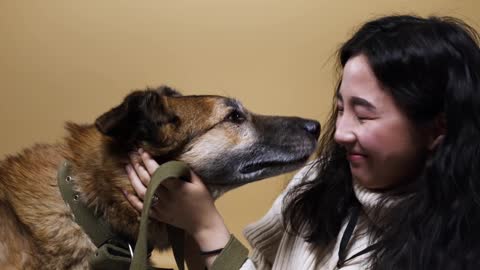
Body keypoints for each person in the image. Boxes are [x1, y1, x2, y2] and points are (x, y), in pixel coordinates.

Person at [124, 15, 480, 269]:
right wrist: (188, 226)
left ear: (436, 130)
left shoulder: (456, 249)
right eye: (340, 108)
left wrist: (205, 225)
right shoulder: (313, 184)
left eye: (365, 114)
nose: (339, 133)